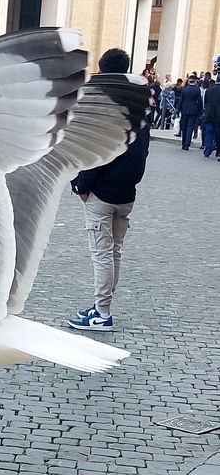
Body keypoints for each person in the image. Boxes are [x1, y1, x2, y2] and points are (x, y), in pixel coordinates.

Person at [67, 48, 149, 332]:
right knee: (114, 252)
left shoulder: (103, 101)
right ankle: (102, 306)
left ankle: (102, 313)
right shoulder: (140, 102)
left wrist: (81, 184)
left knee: (102, 254)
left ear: (102, 69)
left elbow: (95, 151)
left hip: (101, 192)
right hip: (126, 192)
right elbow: (142, 152)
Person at [177, 72, 202, 150]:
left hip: (184, 109)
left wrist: (178, 109)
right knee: (190, 127)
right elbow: (199, 101)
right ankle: (187, 143)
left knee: (184, 126)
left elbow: (181, 100)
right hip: (194, 109)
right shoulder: (197, 90)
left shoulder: (184, 89)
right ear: (195, 81)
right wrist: (200, 110)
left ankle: (183, 143)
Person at [203, 77, 220, 159]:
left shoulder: (209, 90)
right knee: (218, 134)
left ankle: (207, 150)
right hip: (218, 116)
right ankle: (218, 152)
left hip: (209, 114)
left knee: (208, 132)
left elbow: (205, 101)